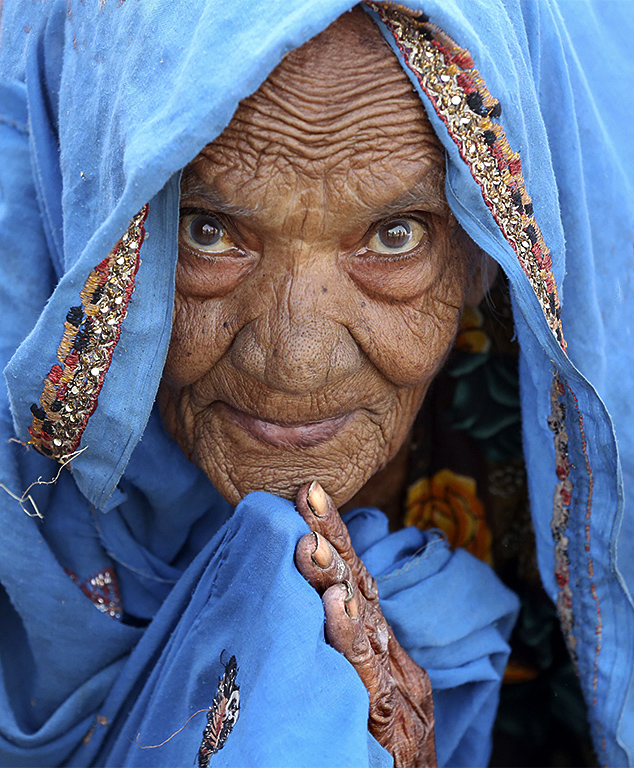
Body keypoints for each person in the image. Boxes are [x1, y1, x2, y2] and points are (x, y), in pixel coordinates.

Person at [0, 1, 632, 767]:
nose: (294, 362)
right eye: (207, 231)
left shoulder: (584, 412)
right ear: (105, 224)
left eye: (394, 236)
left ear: (484, 250)